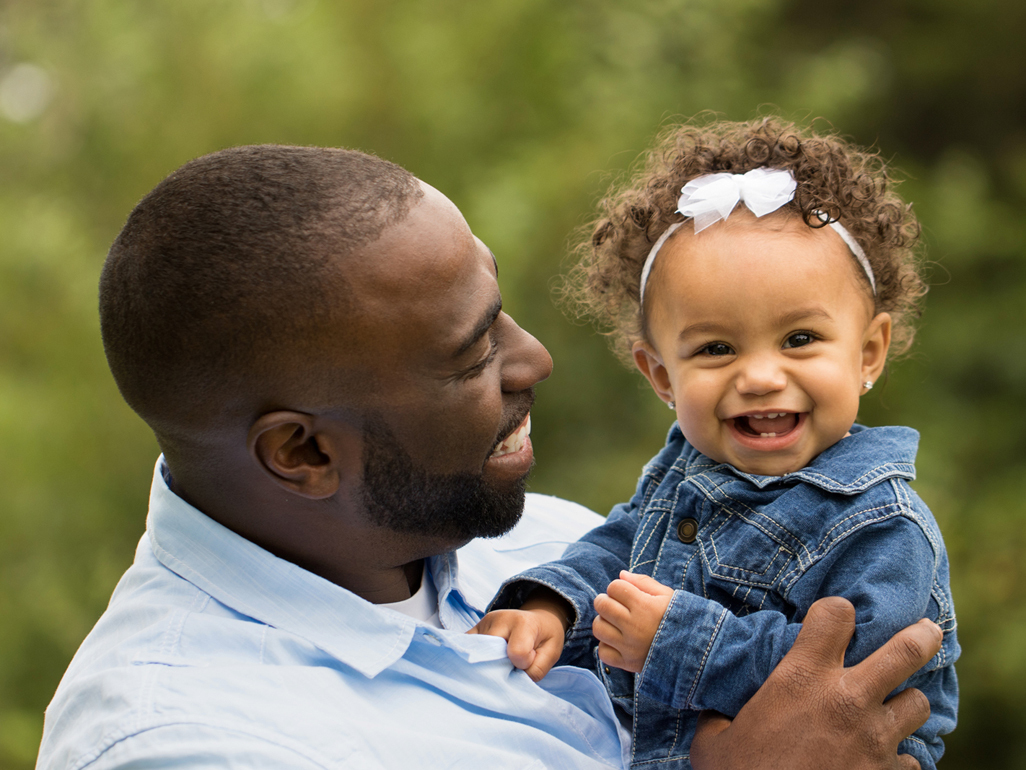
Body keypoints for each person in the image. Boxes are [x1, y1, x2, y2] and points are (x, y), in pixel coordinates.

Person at [37, 144, 943, 770]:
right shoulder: (188, 738)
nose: (536, 359)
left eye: (498, 308)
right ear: (304, 451)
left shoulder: (537, 543)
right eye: (472, 351)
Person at [475, 118, 959, 769]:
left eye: (799, 339)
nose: (760, 376)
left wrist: (676, 642)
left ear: (868, 352)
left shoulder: (881, 526)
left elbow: (855, 685)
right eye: (716, 349)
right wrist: (553, 602)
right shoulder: (688, 468)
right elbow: (623, 549)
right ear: (661, 376)